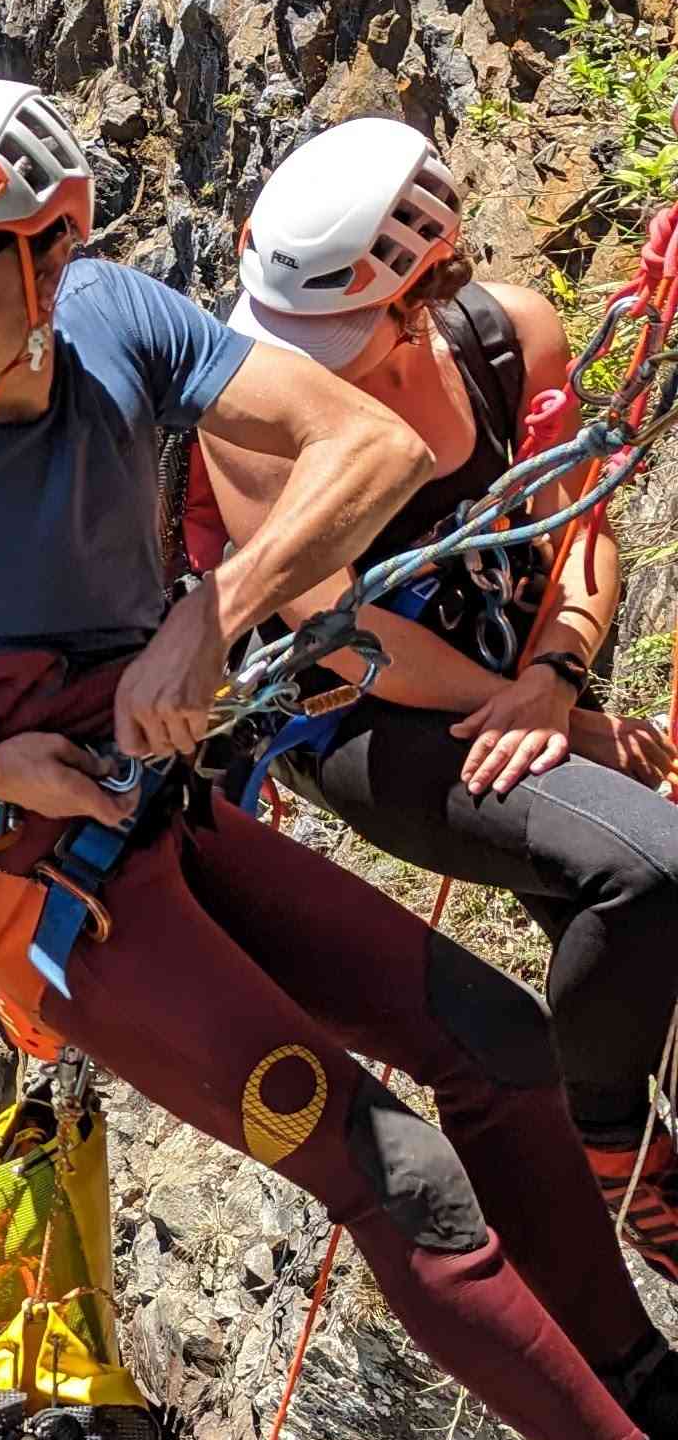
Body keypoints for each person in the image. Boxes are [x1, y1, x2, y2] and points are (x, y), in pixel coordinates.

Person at [0, 75, 678, 1440]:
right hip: (53, 889)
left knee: (496, 1043)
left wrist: (211, 615)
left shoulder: (121, 328)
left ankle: (646, 1391)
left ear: (52, 251)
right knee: (385, 1162)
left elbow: (371, 453)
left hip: (159, 817)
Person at [193, 114, 678, 1267]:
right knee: (647, 869)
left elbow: (576, 516)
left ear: (420, 294)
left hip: (521, 649)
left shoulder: (510, 339)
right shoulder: (254, 419)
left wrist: (559, 679)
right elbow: (340, 627)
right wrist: (543, 711)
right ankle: (607, 1142)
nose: (301, 359)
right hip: (363, 716)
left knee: (613, 890)